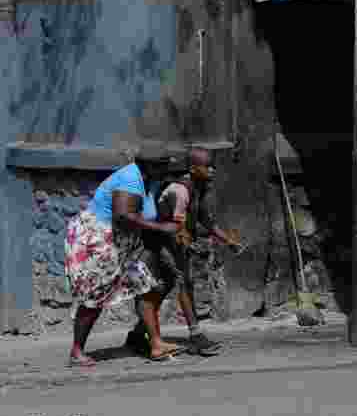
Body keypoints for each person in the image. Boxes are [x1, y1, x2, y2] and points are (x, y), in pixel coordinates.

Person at [65, 152, 182, 366]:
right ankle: (76, 351)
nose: (168, 169)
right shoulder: (130, 179)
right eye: (164, 165)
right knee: (94, 298)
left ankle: (154, 343)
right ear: (150, 166)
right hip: (100, 241)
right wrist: (162, 228)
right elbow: (123, 215)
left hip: (124, 244)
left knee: (147, 286)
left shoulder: (151, 180)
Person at [125, 147, 244, 357]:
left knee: (165, 286)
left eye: (213, 166)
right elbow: (176, 227)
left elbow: (205, 219)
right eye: (207, 166)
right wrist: (186, 246)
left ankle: (138, 333)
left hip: (173, 241)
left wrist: (227, 240)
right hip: (160, 242)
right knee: (182, 281)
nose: (213, 170)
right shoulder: (181, 190)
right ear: (192, 168)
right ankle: (196, 335)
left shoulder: (199, 187)